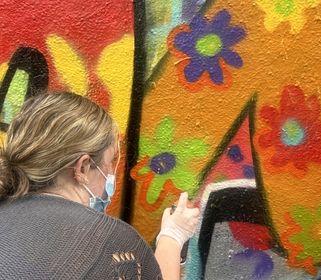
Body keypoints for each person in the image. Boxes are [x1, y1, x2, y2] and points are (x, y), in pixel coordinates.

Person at [0, 92, 200, 279]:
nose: (112, 174)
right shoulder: (112, 241)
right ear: (83, 168)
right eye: (110, 161)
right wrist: (173, 235)